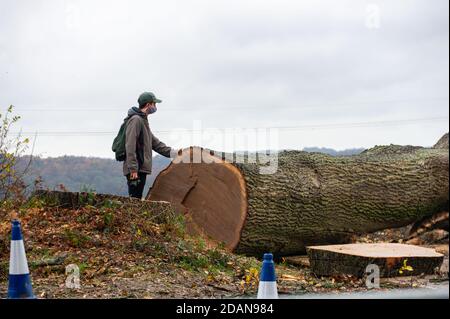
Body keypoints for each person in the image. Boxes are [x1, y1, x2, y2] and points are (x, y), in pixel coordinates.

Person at [123, 91, 179, 199]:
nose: (155, 107)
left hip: (140, 169)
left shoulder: (143, 121)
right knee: (135, 200)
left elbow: (156, 144)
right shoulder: (136, 120)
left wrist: (175, 153)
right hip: (136, 169)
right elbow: (130, 145)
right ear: (148, 104)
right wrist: (133, 169)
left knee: (137, 199)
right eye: (155, 104)